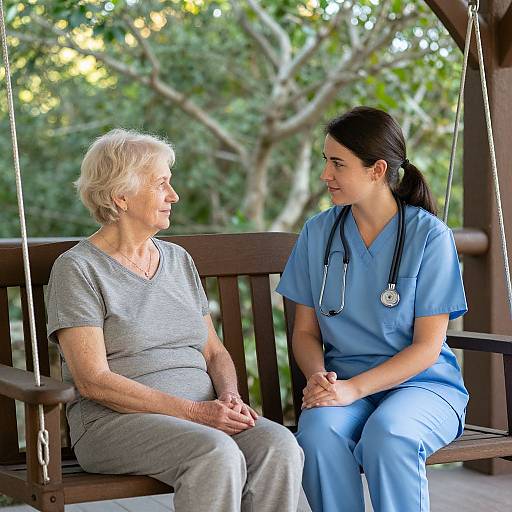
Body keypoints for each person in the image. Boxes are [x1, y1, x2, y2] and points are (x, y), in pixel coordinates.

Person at [46, 128, 309, 512]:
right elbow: (93, 381)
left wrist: (229, 397)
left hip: (201, 414)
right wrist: (193, 412)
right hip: (114, 424)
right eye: (162, 184)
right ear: (121, 196)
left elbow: (214, 351)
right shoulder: (79, 269)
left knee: (279, 445)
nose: (174, 196)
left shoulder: (177, 260)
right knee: (215, 452)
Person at [276, 106, 469, 512]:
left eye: (337, 163)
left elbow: (427, 348)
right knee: (318, 435)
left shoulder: (429, 237)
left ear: (377, 170)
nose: (326, 174)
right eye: (325, 161)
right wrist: (320, 380)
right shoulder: (318, 232)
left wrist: (354, 389)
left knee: (390, 435)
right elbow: (305, 333)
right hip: (341, 384)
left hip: (421, 386)